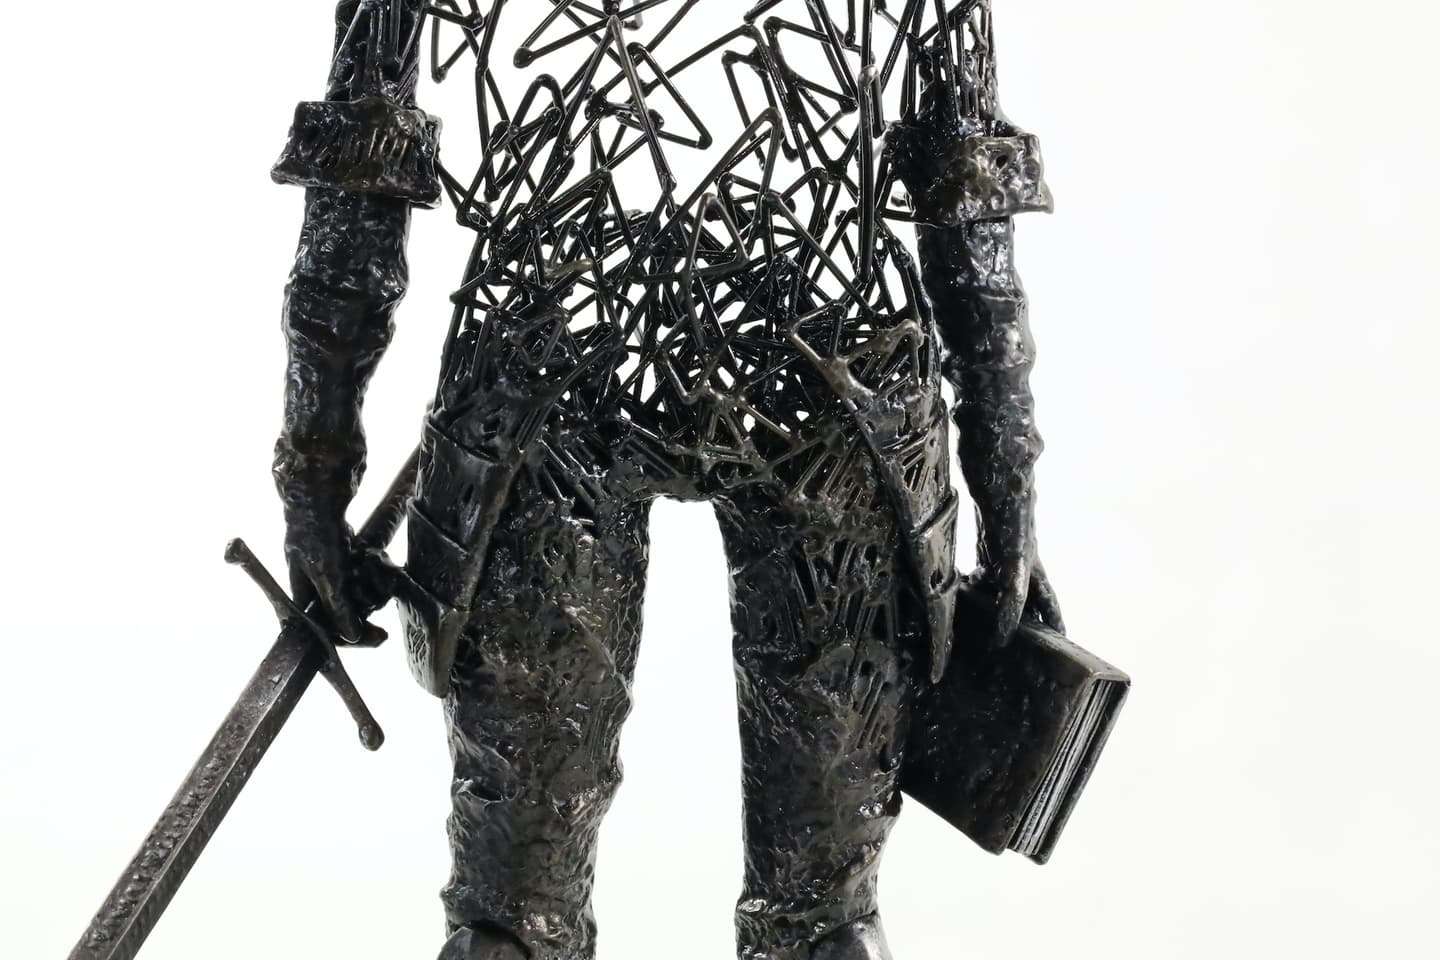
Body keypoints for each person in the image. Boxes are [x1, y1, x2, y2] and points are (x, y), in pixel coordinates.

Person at [270, 2, 1063, 958]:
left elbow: (966, 180)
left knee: (820, 907)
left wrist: (1006, 476)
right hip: (570, 369)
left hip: (806, 381)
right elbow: (360, 163)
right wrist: (311, 463)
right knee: (515, 905)